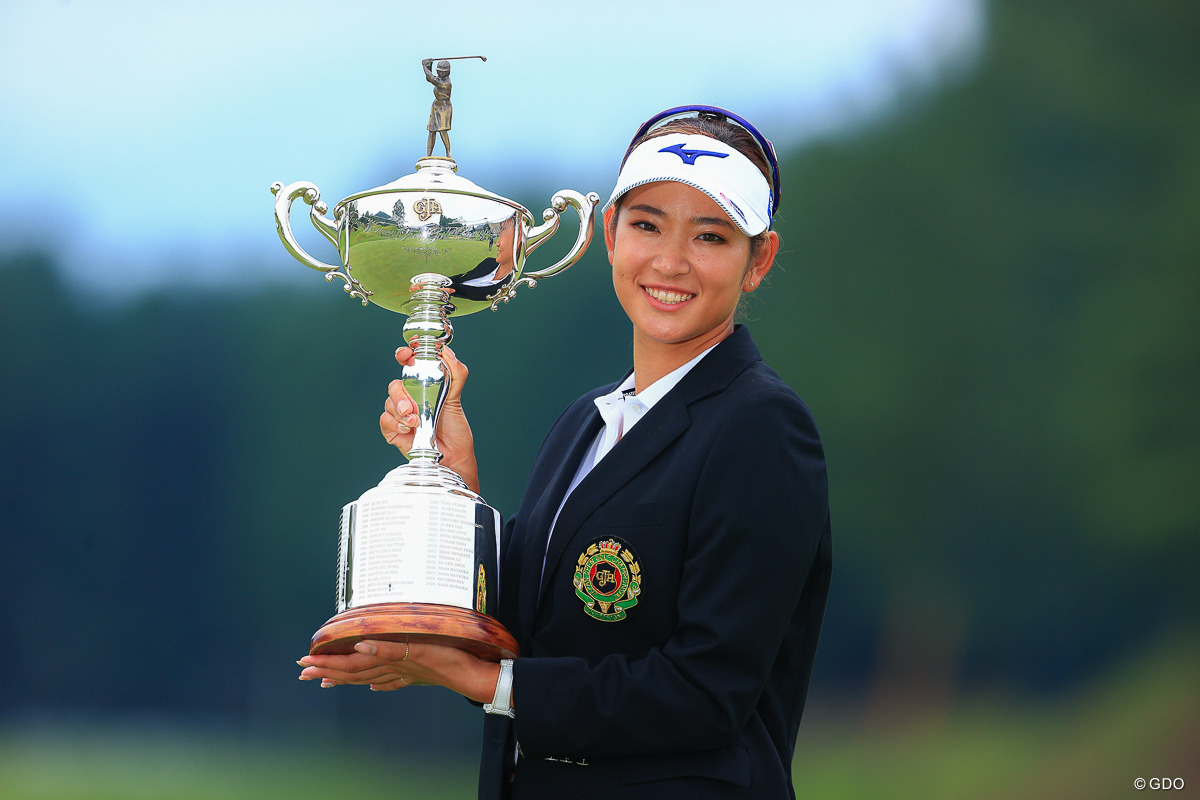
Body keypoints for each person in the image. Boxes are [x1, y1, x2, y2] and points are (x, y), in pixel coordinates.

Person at [298, 106, 833, 799]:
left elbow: (706, 691)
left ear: (757, 260)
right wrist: (455, 482)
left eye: (710, 235)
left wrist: (489, 682)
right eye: (647, 225)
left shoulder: (762, 426)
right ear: (611, 234)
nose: (670, 262)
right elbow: (535, 631)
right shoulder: (586, 421)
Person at [424, 58, 453, 158]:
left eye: (442, 72)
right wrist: (429, 64)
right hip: (436, 105)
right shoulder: (440, 80)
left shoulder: (445, 83)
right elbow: (429, 78)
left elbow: (431, 78)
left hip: (444, 107)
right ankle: (428, 155)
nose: (440, 73)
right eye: (439, 71)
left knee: (442, 130)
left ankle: (448, 153)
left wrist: (424, 66)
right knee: (431, 130)